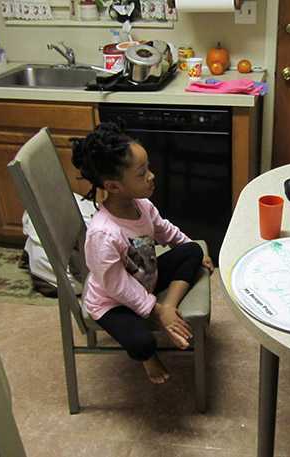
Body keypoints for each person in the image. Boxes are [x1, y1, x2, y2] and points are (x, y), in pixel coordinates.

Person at [71, 122, 214, 384]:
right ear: (113, 187)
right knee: (141, 342)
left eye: (148, 168)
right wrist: (154, 310)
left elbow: (164, 230)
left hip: (146, 278)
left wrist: (184, 246)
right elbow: (117, 285)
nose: (151, 176)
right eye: (141, 173)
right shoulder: (103, 234)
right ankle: (150, 359)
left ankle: (171, 303)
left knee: (192, 250)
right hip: (112, 301)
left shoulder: (142, 205)